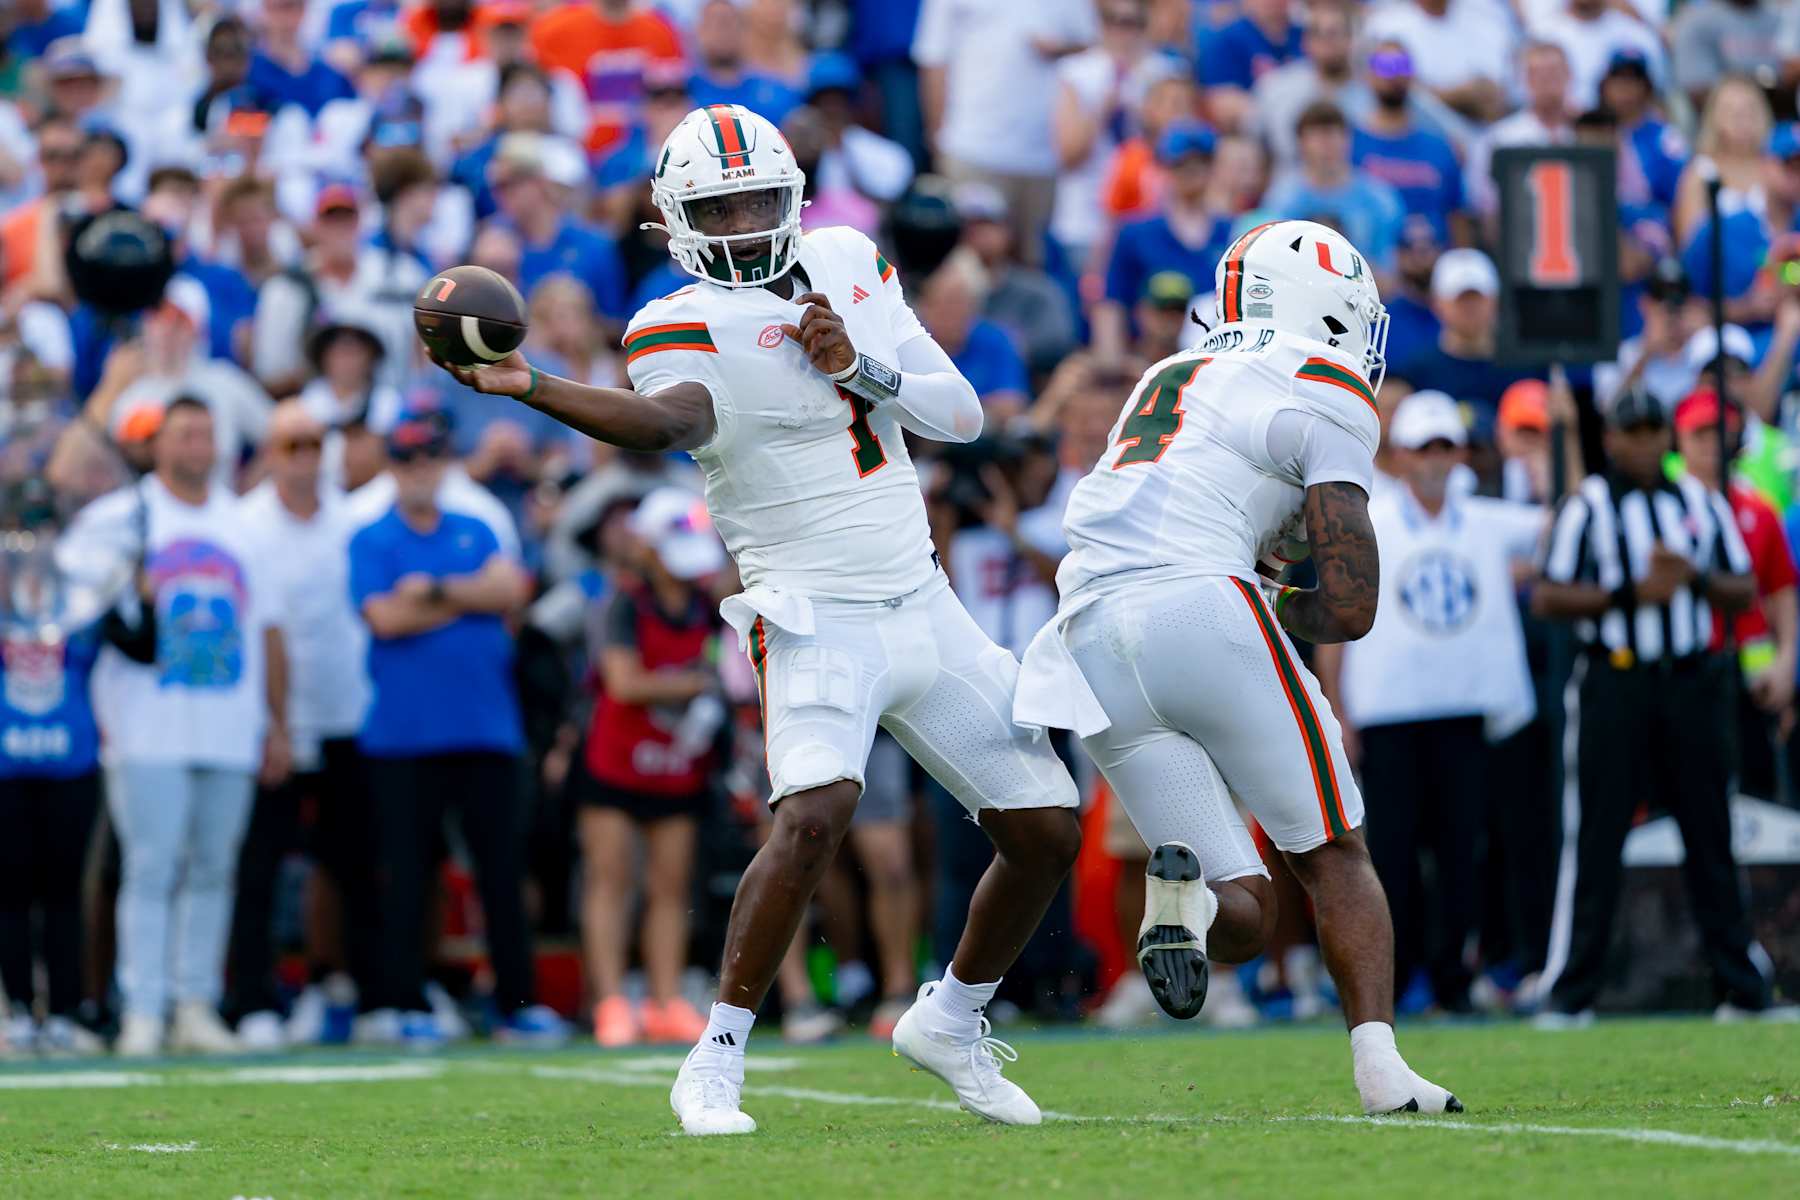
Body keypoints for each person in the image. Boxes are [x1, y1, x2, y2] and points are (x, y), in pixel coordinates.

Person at [432, 102, 1083, 1136]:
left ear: (794, 199)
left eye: (758, 200)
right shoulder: (668, 323)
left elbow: (961, 415)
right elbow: (670, 422)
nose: (741, 222)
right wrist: (533, 387)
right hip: (810, 606)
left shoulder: (845, 259)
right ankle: (717, 1055)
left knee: (1047, 829)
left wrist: (855, 365)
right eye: (719, 206)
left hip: (922, 596)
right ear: (676, 220)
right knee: (815, 813)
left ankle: (950, 1020)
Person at [1015, 219, 1462, 1115]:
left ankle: (1185, 907)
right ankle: (1382, 1073)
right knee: (1332, 852)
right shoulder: (1326, 384)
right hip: (1199, 602)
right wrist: (1284, 588)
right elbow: (1352, 606)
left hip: (1088, 630)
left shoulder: (1168, 371)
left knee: (1243, 910)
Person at [1532, 389, 1777, 1024]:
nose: (1642, 445)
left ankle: (1742, 986)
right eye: (1630, 433)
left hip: (1691, 683)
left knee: (1710, 831)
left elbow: (1744, 585)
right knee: (1597, 834)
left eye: (1651, 432)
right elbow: (1550, 596)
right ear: (1610, 439)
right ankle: (1571, 990)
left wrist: (1690, 578)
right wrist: (1630, 595)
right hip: (1615, 682)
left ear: (1665, 438)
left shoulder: (1700, 502)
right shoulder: (1587, 506)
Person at [57, 396, 290, 1057]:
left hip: (227, 722)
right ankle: (143, 1008)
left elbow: (268, 630)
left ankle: (195, 1004)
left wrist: (276, 721)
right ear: (157, 445)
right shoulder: (120, 520)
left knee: (215, 868)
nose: (197, 446)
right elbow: (72, 608)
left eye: (206, 434)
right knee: (152, 868)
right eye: (185, 434)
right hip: (147, 725)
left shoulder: (242, 525)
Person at [1314, 391, 1543, 1013]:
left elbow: (1559, 525)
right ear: (1402, 456)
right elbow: (1341, 621)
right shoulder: (1372, 521)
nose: (1436, 459)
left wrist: (1551, 454)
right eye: (1424, 447)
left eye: (1446, 446)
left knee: (1461, 852)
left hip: (1463, 712)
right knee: (1394, 853)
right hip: (1388, 716)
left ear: (1461, 452)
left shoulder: (1486, 520)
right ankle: (1401, 975)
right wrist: (1337, 709)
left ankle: (1450, 977)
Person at [347, 409, 567, 1047]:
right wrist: (467, 595)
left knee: (502, 874)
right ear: (393, 467)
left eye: (429, 457)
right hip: (403, 734)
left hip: (485, 728)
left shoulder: (476, 527)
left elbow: (510, 594)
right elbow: (384, 618)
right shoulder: (372, 537)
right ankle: (406, 1001)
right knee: (410, 877)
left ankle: (515, 1003)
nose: (419, 470)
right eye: (407, 459)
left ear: (445, 463)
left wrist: (433, 592)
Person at [231, 402, 375, 1048]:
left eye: (313, 444)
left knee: (352, 863)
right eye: (290, 445)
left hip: (349, 714)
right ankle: (252, 999)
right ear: (269, 451)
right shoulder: (243, 526)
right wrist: (272, 723)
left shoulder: (352, 520)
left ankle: (342, 986)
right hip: (270, 722)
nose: (303, 457)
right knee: (257, 865)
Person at [578, 487, 725, 1048]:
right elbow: (624, 681)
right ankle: (613, 1003)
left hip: (676, 766)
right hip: (615, 764)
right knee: (612, 880)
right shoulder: (623, 606)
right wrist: (694, 683)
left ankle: (664, 1002)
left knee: (670, 885)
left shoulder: (705, 609)